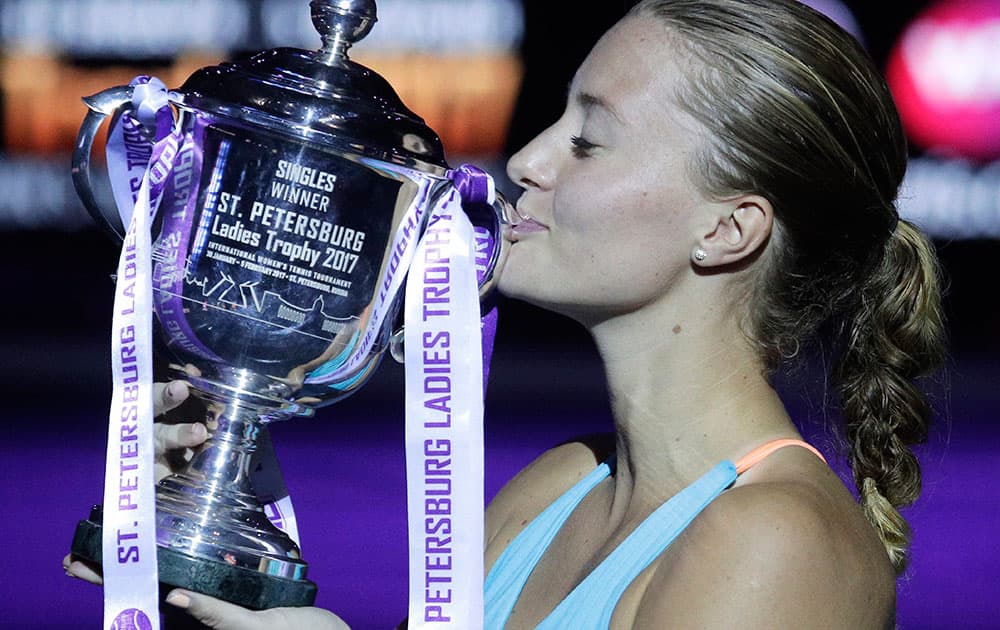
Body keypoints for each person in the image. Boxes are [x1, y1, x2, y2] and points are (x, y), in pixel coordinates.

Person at [66, 0, 947, 627]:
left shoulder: (777, 546)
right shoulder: (558, 486)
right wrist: (199, 567)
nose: (527, 159)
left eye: (589, 140)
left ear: (727, 230)